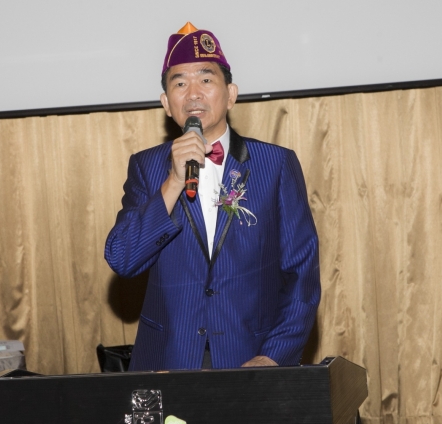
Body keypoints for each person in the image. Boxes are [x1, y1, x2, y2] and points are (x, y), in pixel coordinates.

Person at [104, 22, 320, 371]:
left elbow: (302, 275)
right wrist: (173, 182)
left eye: (206, 79)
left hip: (250, 358)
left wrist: (273, 355)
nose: (193, 94)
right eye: (179, 83)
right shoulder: (146, 168)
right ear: (166, 103)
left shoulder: (275, 165)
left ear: (231, 94)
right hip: (169, 362)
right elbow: (123, 258)